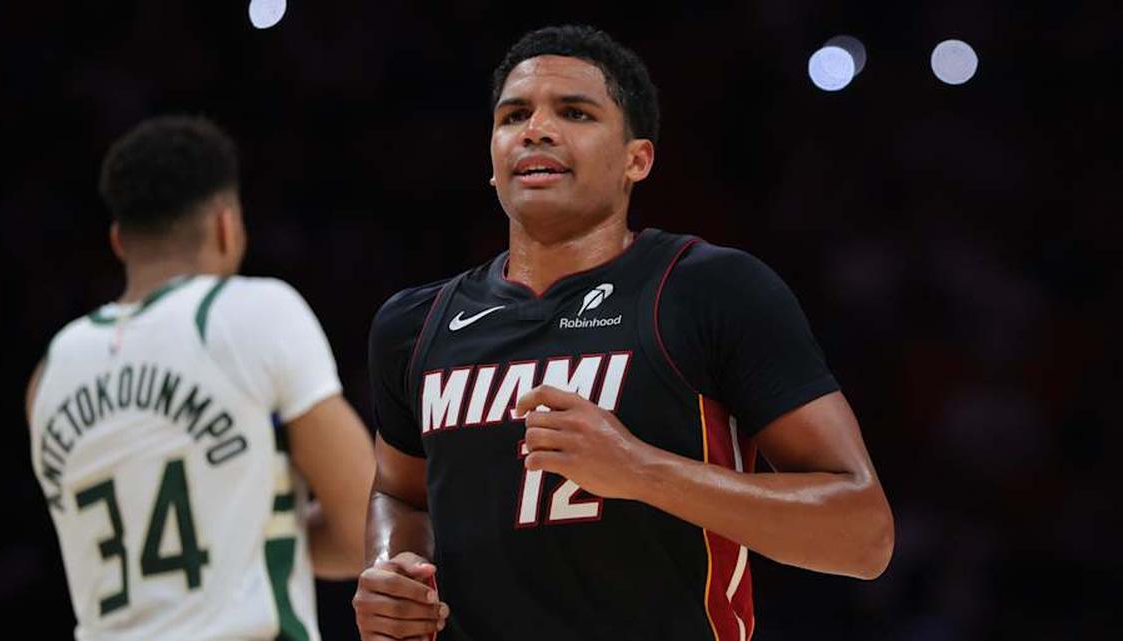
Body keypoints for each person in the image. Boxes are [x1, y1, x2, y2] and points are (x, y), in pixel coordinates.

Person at [354, 25, 893, 641]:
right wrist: (389, 572)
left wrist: (640, 469)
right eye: (514, 115)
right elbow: (400, 495)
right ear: (493, 160)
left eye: (575, 112)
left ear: (638, 160)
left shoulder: (709, 290)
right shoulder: (413, 324)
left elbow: (863, 534)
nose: (536, 129)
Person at [26, 115, 376, 641]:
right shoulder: (251, 313)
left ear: (119, 241)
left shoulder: (50, 371)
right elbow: (362, 530)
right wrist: (249, 536)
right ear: (226, 225)